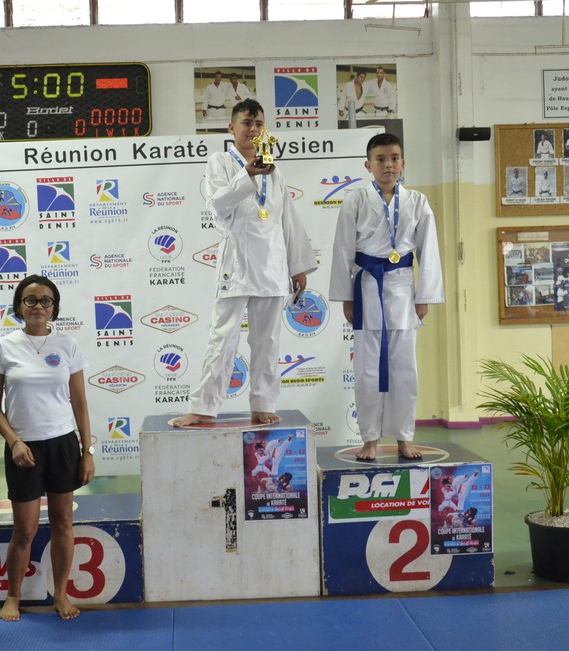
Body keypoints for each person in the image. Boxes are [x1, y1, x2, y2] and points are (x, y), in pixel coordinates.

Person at [172, 99, 316, 428]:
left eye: (259, 124)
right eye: (247, 123)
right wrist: (247, 173)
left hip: (272, 264)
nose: (253, 129)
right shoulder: (221, 162)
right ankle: (204, 407)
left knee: (268, 340)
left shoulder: (275, 171)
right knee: (222, 337)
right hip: (236, 263)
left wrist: (297, 265)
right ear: (232, 128)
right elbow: (217, 205)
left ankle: (263, 404)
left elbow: (288, 220)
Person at [0, 275, 94, 621]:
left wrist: (87, 451)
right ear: (19, 306)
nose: (38, 306)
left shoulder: (68, 345)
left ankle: (60, 595)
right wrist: (14, 441)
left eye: (46, 300)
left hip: (62, 445)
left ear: (54, 307)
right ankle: (13, 597)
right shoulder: (3, 347)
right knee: (24, 530)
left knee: (63, 523)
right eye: (30, 300)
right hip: (23, 448)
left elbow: (79, 402)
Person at [329, 132, 444, 460]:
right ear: (368, 165)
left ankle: (404, 436)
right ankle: (370, 439)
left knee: (405, 367)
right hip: (367, 287)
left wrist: (425, 296)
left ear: (403, 163)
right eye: (380, 159)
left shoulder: (417, 201)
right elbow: (342, 250)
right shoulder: (355, 200)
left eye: (394, 158)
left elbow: (428, 252)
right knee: (367, 369)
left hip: (403, 289)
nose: (388, 165)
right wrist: (346, 296)